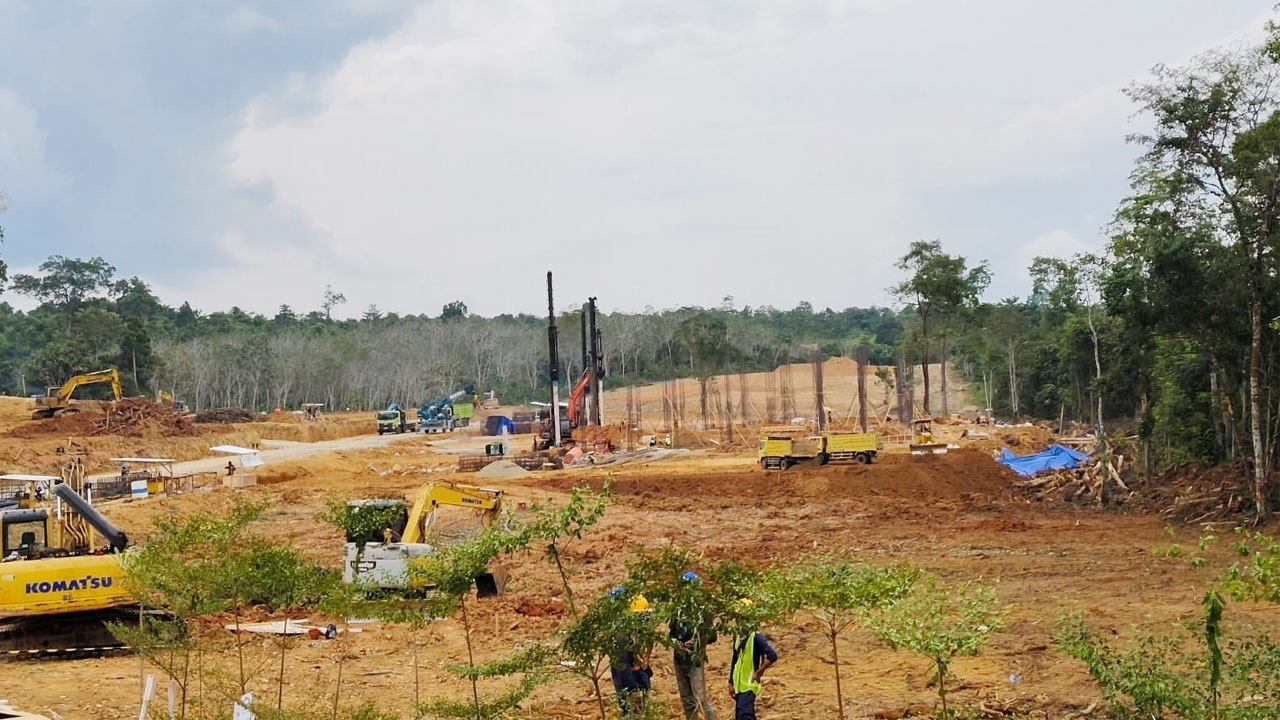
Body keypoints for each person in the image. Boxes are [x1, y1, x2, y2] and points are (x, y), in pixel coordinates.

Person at [670, 571, 717, 720]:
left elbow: (712, 635)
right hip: (679, 659)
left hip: (695, 660)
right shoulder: (678, 610)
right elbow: (670, 633)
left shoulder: (702, 612)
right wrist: (675, 642)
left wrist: (697, 641)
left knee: (701, 699)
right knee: (686, 699)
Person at [729, 600, 777, 720]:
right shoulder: (738, 637)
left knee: (744, 715)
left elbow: (772, 655)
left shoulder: (756, 637)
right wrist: (731, 682)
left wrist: (759, 672)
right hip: (739, 686)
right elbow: (735, 660)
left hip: (749, 685)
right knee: (742, 715)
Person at [610, 587, 654, 717]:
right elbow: (623, 666)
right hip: (631, 682)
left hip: (631, 680)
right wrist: (634, 688)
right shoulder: (622, 635)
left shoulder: (625, 630)